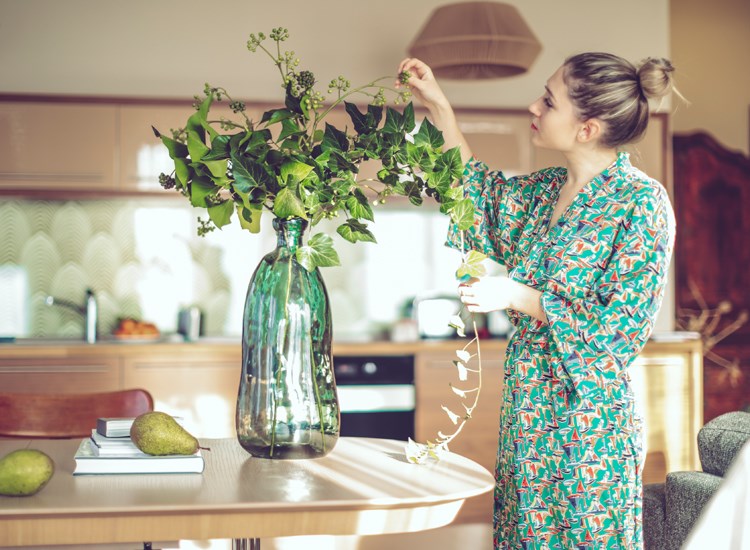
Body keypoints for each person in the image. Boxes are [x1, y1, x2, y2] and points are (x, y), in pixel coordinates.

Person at [397, 52, 679, 548]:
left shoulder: (642, 203)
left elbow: (619, 333)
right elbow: (479, 193)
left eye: (549, 100)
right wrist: (439, 108)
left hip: (588, 429)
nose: (533, 105)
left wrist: (516, 295)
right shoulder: (546, 190)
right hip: (527, 413)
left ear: (586, 128)